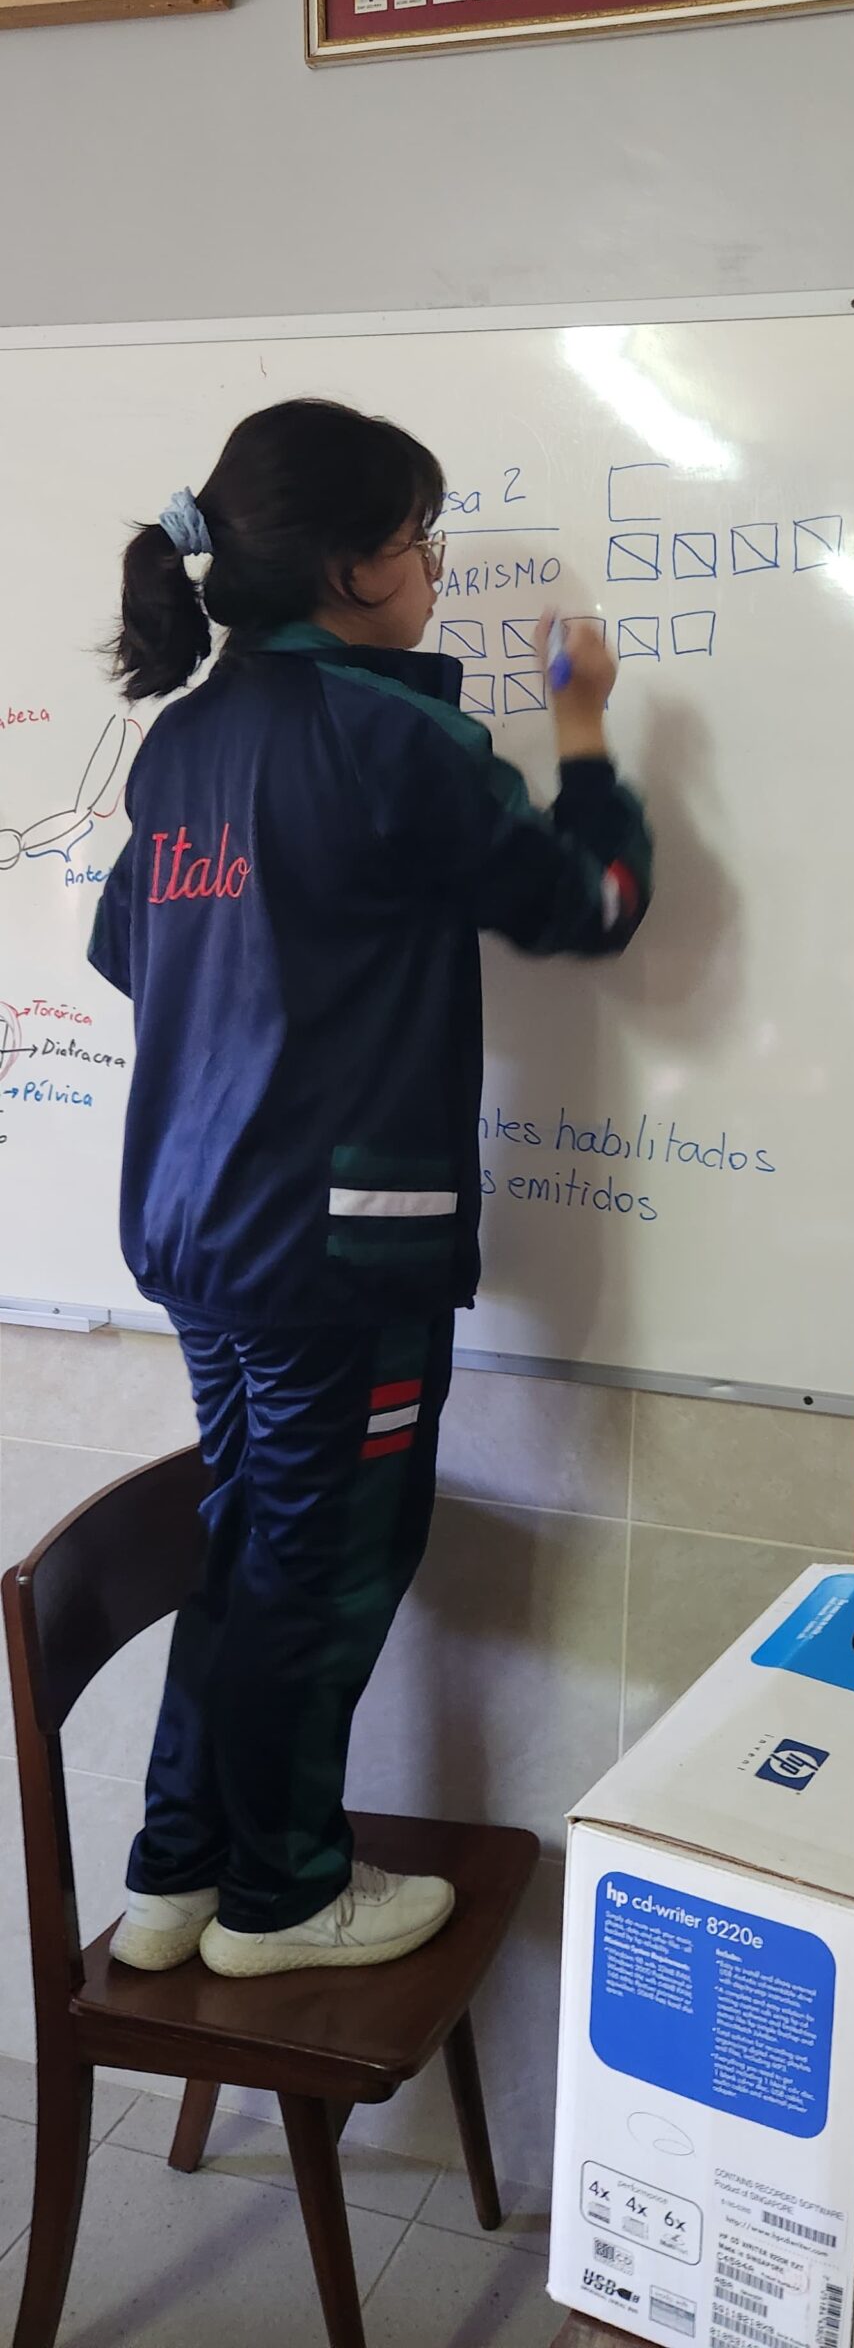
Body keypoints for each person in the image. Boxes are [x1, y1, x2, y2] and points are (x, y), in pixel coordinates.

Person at [90, 400, 651, 1982]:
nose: (435, 568)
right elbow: (594, 899)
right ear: (351, 569)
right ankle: (281, 1898)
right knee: (323, 1562)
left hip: (197, 1226)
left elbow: (130, 951)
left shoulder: (184, 743)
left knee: (249, 1540)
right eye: (420, 541)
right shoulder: (395, 738)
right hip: (337, 1251)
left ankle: (178, 1876)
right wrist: (586, 727)